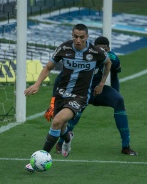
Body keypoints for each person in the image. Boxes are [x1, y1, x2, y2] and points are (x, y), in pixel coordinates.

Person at [24, 24, 111, 172]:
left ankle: (40, 158)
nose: (78, 40)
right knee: (61, 125)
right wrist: (37, 84)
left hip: (80, 96)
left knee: (57, 121)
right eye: (75, 36)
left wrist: (102, 83)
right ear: (72, 35)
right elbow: (48, 68)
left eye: (81, 37)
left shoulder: (95, 52)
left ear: (87, 37)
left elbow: (108, 63)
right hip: (61, 93)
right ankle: (68, 139)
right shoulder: (64, 48)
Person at [44, 36, 138, 156]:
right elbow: (60, 77)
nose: (103, 51)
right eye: (100, 48)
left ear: (109, 49)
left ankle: (126, 146)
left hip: (99, 91)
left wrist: (114, 92)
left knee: (119, 100)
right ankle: (61, 142)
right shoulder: (84, 57)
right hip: (80, 92)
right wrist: (53, 100)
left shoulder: (113, 59)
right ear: (95, 48)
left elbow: (114, 77)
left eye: (106, 49)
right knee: (74, 113)